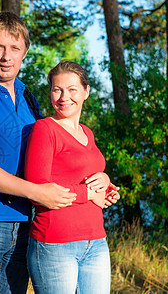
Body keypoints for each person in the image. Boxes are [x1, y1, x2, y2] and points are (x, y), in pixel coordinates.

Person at [0, 12, 119, 294]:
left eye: (14, 48)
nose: (6, 57)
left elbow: (57, 158)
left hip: (26, 224)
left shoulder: (28, 98)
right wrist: (35, 192)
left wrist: (101, 178)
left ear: (24, 52)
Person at [24, 60, 117, 293]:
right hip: (55, 243)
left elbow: (85, 173)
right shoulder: (45, 129)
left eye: (72, 89)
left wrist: (105, 183)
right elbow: (37, 189)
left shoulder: (87, 132)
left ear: (86, 91)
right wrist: (89, 194)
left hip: (96, 242)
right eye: (57, 89)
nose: (64, 97)